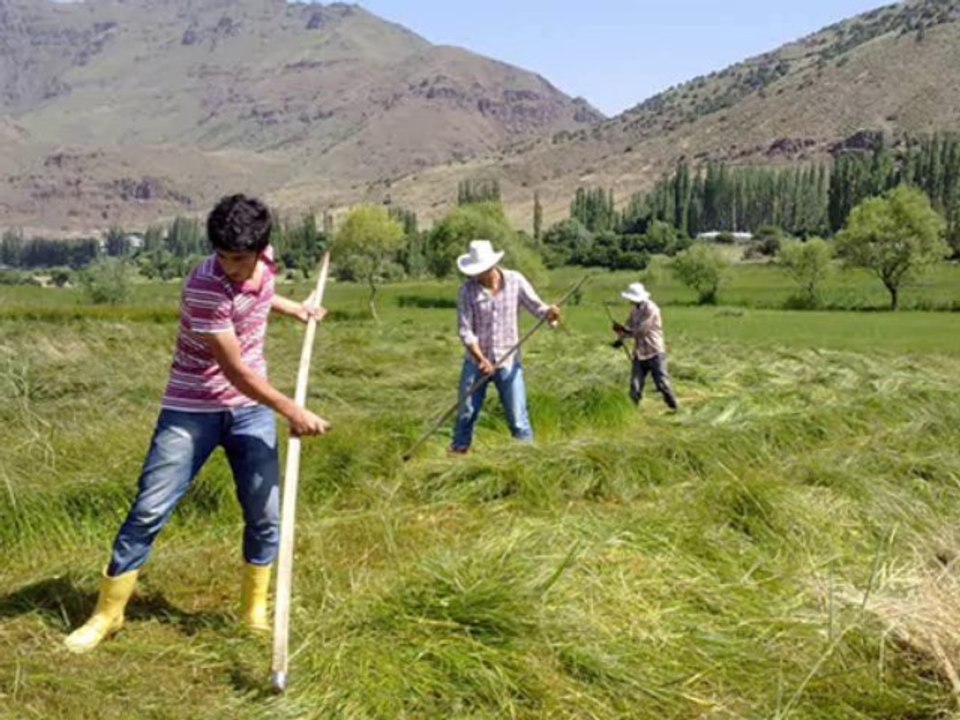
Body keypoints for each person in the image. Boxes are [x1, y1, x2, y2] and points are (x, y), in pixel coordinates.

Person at [65, 194, 330, 654]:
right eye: (223, 257)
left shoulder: (263, 262)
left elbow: (260, 292)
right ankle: (107, 614)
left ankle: (254, 613)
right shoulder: (206, 286)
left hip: (248, 413)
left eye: (240, 258)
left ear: (261, 248)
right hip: (193, 407)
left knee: (265, 513)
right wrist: (293, 410)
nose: (231, 267)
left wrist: (295, 309)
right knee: (150, 507)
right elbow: (237, 374)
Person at [450, 239, 559, 453]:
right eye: (475, 271)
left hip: (509, 361)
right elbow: (465, 331)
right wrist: (482, 360)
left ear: (492, 265)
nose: (478, 274)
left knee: (518, 418)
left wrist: (550, 313)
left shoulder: (515, 280)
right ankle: (457, 455)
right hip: (476, 362)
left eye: (482, 269)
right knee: (466, 412)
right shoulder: (467, 291)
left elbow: (537, 307)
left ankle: (526, 458)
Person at [612, 282, 678, 410]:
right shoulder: (634, 310)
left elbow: (641, 330)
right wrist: (620, 338)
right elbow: (629, 327)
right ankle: (632, 410)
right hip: (639, 353)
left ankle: (674, 407)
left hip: (654, 351)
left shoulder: (652, 309)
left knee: (662, 384)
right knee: (635, 385)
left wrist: (625, 330)